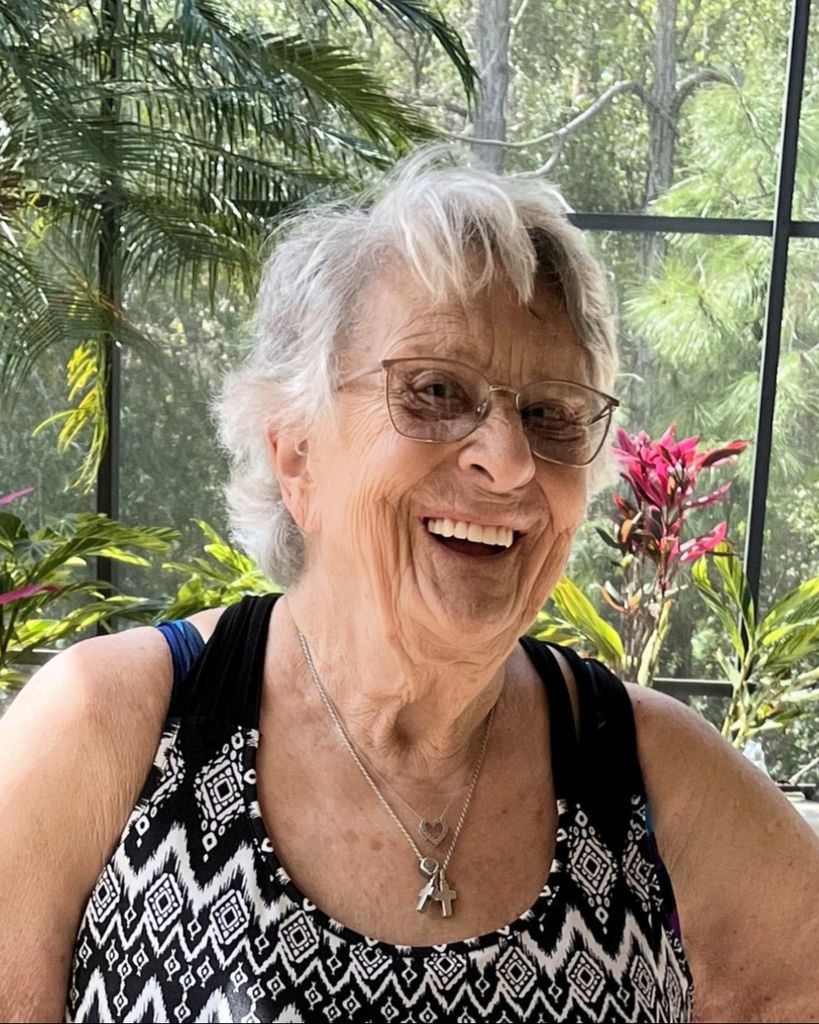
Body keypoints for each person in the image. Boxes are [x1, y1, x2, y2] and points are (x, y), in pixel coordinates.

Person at [2, 150, 818, 1024]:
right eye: (433, 391)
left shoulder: (647, 772)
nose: (508, 462)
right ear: (298, 455)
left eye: (550, 414)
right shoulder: (111, 726)